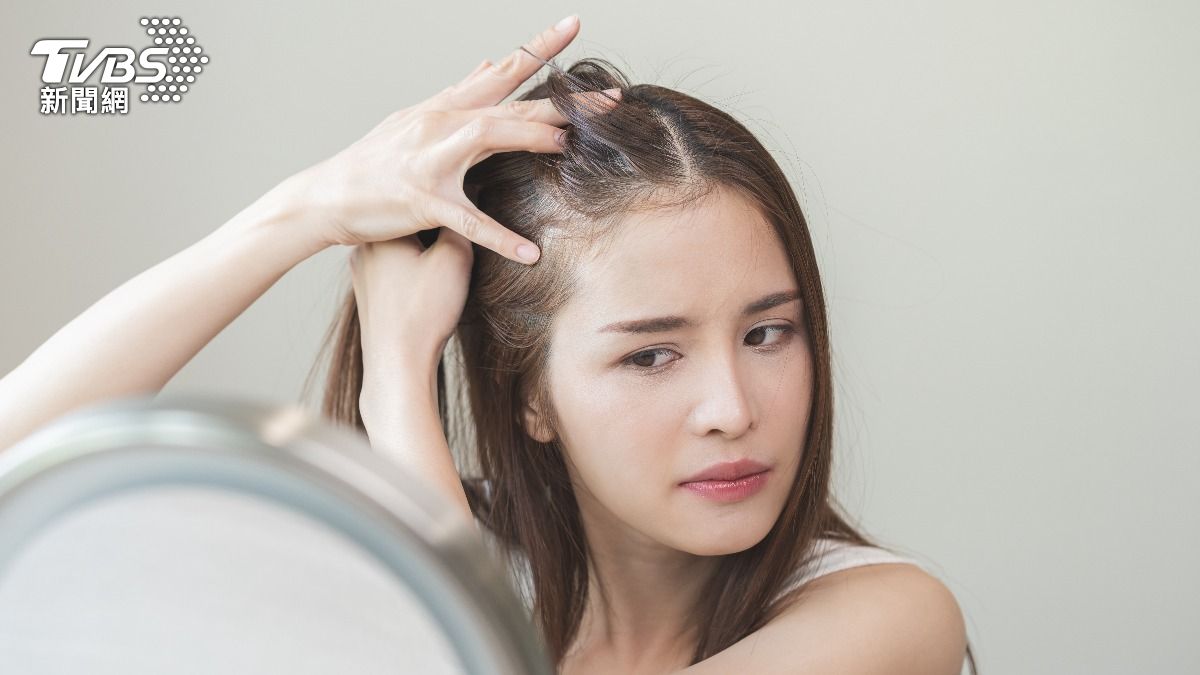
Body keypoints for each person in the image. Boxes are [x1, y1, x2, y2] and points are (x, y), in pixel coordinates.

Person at [0, 15, 976, 674]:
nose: (733, 408)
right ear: (530, 395)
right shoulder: (432, 551)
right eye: (650, 354)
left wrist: (397, 390)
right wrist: (305, 210)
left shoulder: (885, 619)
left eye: (768, 332)